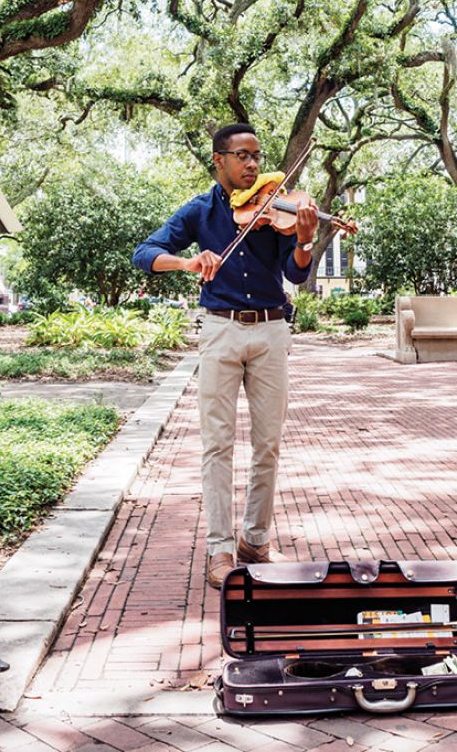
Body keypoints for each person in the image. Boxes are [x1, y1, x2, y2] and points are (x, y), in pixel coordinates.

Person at [132, 123, 318, 588]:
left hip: (272, 329)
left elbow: (295, 276)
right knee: (217, 445)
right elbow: (144, 253)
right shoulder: (200, 211)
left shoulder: (277, 205)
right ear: (220, 161)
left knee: (268, 444)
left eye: (257, 155)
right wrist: (188, 262)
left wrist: (305, 240)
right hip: (220, 330)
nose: (253, 164)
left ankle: (255, 540)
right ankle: (219, 548)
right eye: (243, 156)